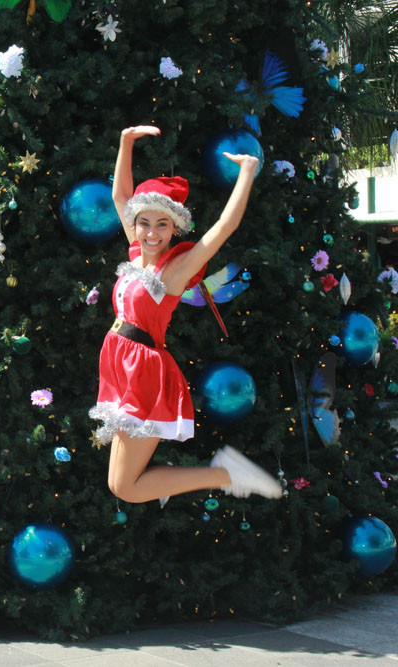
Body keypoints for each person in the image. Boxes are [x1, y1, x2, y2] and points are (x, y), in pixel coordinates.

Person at [88, 125, 281, 504]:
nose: (151, 233)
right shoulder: (135, 252)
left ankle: (225, 474)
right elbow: (120, 195)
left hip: (144, 373)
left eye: (163, 224)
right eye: (144, 223)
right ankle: (224, 472)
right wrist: (126, 141)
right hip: (121, 365)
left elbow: (224, 228)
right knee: (118, 486)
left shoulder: (171, 273)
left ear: (174, 227)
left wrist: (246, 172)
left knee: (127, 488)